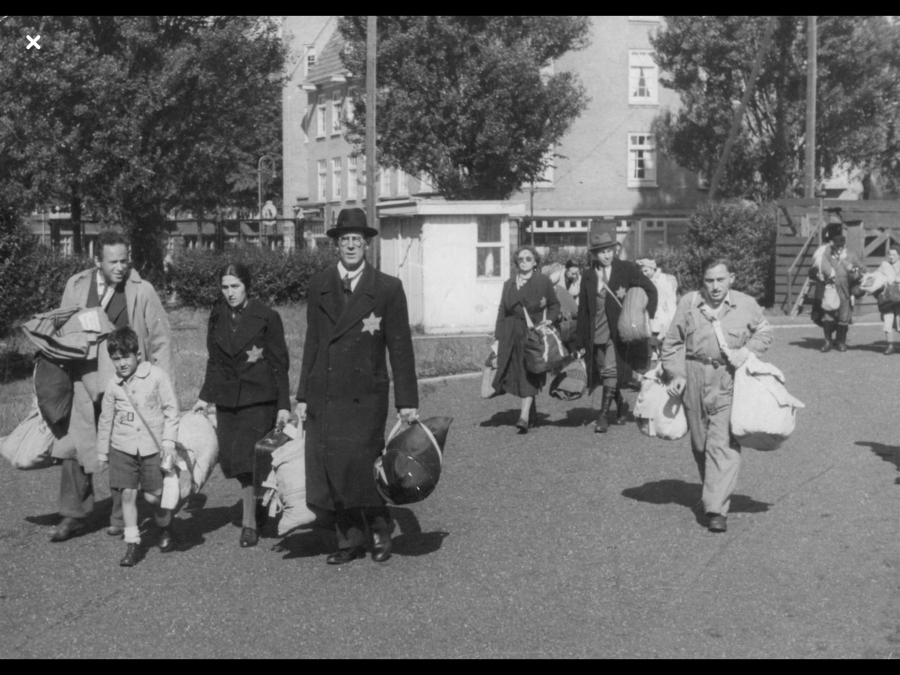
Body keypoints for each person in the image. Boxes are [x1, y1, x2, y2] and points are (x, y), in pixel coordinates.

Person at [295, 208, 418, 565]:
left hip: (366, 394)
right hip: (326, 391)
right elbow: (313, 343)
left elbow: (401, 348)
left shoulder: (387, 288)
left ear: (366, 245)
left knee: (361, 464)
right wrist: (302, 395)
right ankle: (347, 539)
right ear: (336, 245)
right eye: (344, 240)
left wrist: (407, 401)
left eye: (356, 240)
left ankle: (380, 526)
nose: (350, 246)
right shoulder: (319, 285)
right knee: (332, 466)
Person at [49, 230, 175, 543]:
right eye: (113, 261)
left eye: (124, 260)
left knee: (123, 448)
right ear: (97, 261)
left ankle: (120, 515)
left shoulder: (141, 290)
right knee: (74, 445)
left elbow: (160, 341)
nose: (120, 267)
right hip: (83, 380)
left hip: (127, 382)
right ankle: (72, 515)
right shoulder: (77, 286)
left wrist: (161, 389)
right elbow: (61, 330)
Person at [662, 257, 773, 533]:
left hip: (728, 379)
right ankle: (713, 491)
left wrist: (746, 351)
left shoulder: (746, 303)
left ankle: (716, 509)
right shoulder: (689, 303)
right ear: (702, 281)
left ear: (731, 279)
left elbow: (765, 332)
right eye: (709, 280)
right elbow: (673, 342)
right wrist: (676, 374)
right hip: (694, 377)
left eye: (720, 280)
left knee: (721, 444)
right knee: (700, 445)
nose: (714, 286)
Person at [192, 263, 291, 548]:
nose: (230, 293)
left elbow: (279, 364)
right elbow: (214, 360)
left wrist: (284, 404)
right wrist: (204, 396)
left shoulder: (267, 317)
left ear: (247, 286)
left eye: (235, 286)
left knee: (247, 461)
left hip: (258, 398)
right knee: (232, 461)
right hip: (226, 398)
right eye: (225, 287)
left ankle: (249, 524)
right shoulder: (217, 315)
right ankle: (259, 503)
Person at [96, 328, 180, 566]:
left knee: (154, 498)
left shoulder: (156, 376)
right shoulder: (113, 384)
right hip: (122, 448)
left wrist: (168, 441)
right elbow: (106, 419)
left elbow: (171, 411)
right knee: (128, 494)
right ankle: (133, 544)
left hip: (152, 448)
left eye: (125, 357)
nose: (121, 363)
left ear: (138, 354)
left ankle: (165, 526)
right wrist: (103, 451)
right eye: (115, 358)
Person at [575, 232, 658, 434]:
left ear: (614, 250)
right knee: (604, 371)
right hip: (597, 330)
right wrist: (579, 340)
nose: (606, 256)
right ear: (595, 254)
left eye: (609, 251)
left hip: (617, 330)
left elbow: (650, 289)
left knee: (611, 369)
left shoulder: (626, 269)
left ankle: (603, 416)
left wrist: (643, 314)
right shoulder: (587, 275)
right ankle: (621, 405)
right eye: (602, 252)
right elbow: (583, 310)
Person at [492, 245, 560, 434]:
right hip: (511, 333)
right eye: (520, 259)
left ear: (535, 261)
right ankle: (532, 413)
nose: (524, 262)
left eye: (528, 259)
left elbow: (554, 304)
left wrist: (550, 319)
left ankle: (523, 417)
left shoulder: (543, 281)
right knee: (518, 372)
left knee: (530, 372)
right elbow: (502, 310)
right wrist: (498, 337)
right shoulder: (509, 283)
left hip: (532, 333)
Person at [816, 235, 863, 352]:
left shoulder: (851, 256)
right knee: (828, 316)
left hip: (845, 291)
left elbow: (863, 269)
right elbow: (823, 265)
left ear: (845, 245)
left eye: (841, 246)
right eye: (837, 246)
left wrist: (853, 269)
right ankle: (828, 342)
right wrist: (827, 273)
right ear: (833, 245)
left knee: (843, 317)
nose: (839, 248)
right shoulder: (828, 254)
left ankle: (841, 342)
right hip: (830, 289)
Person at [637, 257, 678, 362]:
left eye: (646, 271)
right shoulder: (644, 281)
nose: (644, 274)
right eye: (642, 272)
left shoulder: (665, 279)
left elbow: (670, 301)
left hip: (662, 315)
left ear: (652, 268)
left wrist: (672, 319)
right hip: (649, 315)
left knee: (662, 339)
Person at [876, 243, 900, 355]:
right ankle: (890, 345)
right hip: (888, 298)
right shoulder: (884, 265)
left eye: (894, 255)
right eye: (890, 254)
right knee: (887, 321)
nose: (891, 257)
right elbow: (876, 276)